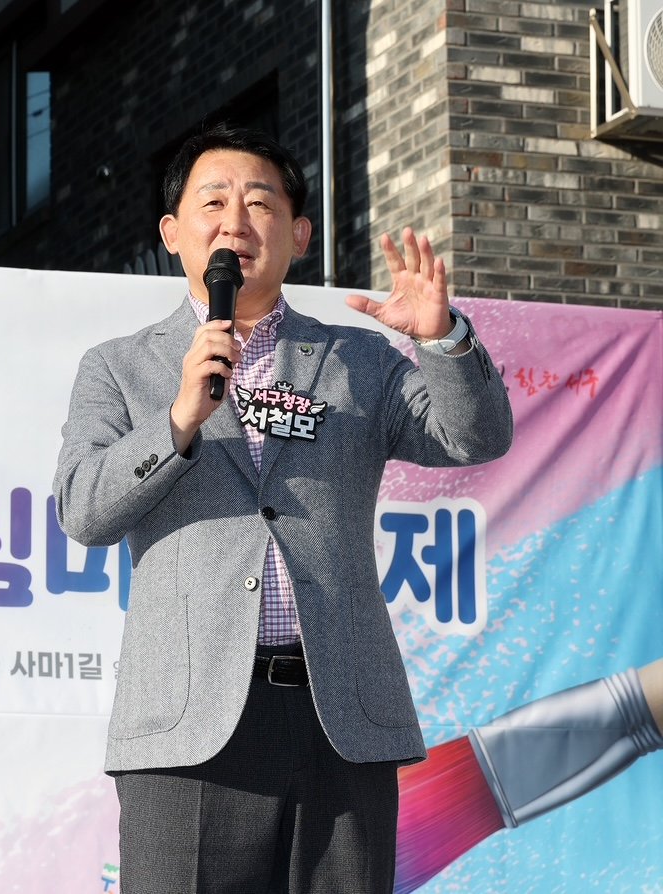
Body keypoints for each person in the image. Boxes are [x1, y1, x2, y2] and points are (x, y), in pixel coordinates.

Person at [52, 124, 513, 893]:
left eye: (260, 203)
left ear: (299, 235)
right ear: (172, 233)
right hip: (189, 727)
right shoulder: (120, 368)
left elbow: (476, 437)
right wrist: (178, 420)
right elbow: (83, 510)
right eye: (213, 202)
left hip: (339, 719)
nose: (235, 221)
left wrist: (445, 341)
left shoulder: (357, 360)